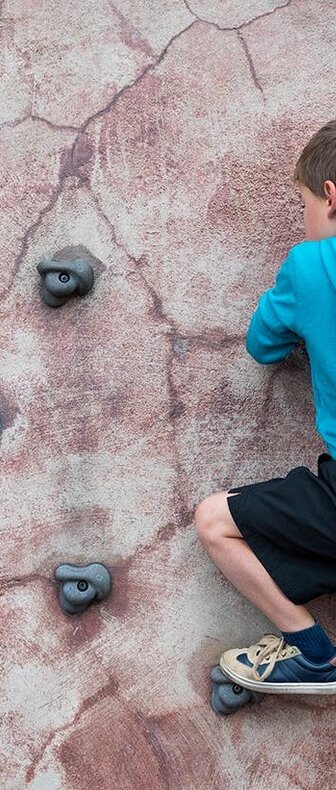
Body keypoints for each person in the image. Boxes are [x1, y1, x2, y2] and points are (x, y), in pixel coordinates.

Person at [195, 119, 336, 690]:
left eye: (303, 203)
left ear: (331, 196)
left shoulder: (312, 265)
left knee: (215, 522)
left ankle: (313, 654)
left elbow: (262, 346)